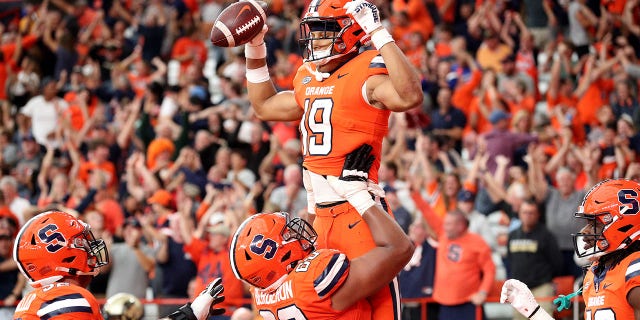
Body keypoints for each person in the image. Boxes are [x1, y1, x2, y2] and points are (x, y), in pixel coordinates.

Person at [244, 0, 422, 317]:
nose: (314, 39)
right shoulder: (307, 75)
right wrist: (255, 47)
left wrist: (378, 31)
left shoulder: (367, 68)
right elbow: (265, 106)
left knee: (380, 311)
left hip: (360, 211)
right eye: (311, 31)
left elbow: (409, 95)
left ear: (351, 32)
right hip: (319, 218)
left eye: (322, 31)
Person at [229, 144, 414, 319]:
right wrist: (357, 194)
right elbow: (400, 249)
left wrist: (313, 202)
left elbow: (309, 249)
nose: (294, 232)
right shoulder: (313, 285)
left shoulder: (262, 292)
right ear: (280, 258)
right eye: (286, 235)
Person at [12, 210, 225, 320]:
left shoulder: (37, 298)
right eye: (80, 243)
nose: (89, 248)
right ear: (62, 255)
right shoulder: (68, 298)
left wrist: (188, 314)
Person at [501, 179, 640, 320]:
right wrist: (534, 312)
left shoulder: (634, 270)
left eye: (594, 224)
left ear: (624, 225)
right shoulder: (595, 272)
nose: (585, 231)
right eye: (587, 223)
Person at [506, 199, 563, 320]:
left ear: (538, 215)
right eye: (525, 212)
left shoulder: (547, 235)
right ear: (520, 214)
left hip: (541, 287)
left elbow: (557, 263)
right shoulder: (512, 235)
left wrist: (544, 278)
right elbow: (510, 260)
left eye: (531, 213)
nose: (528, 216)